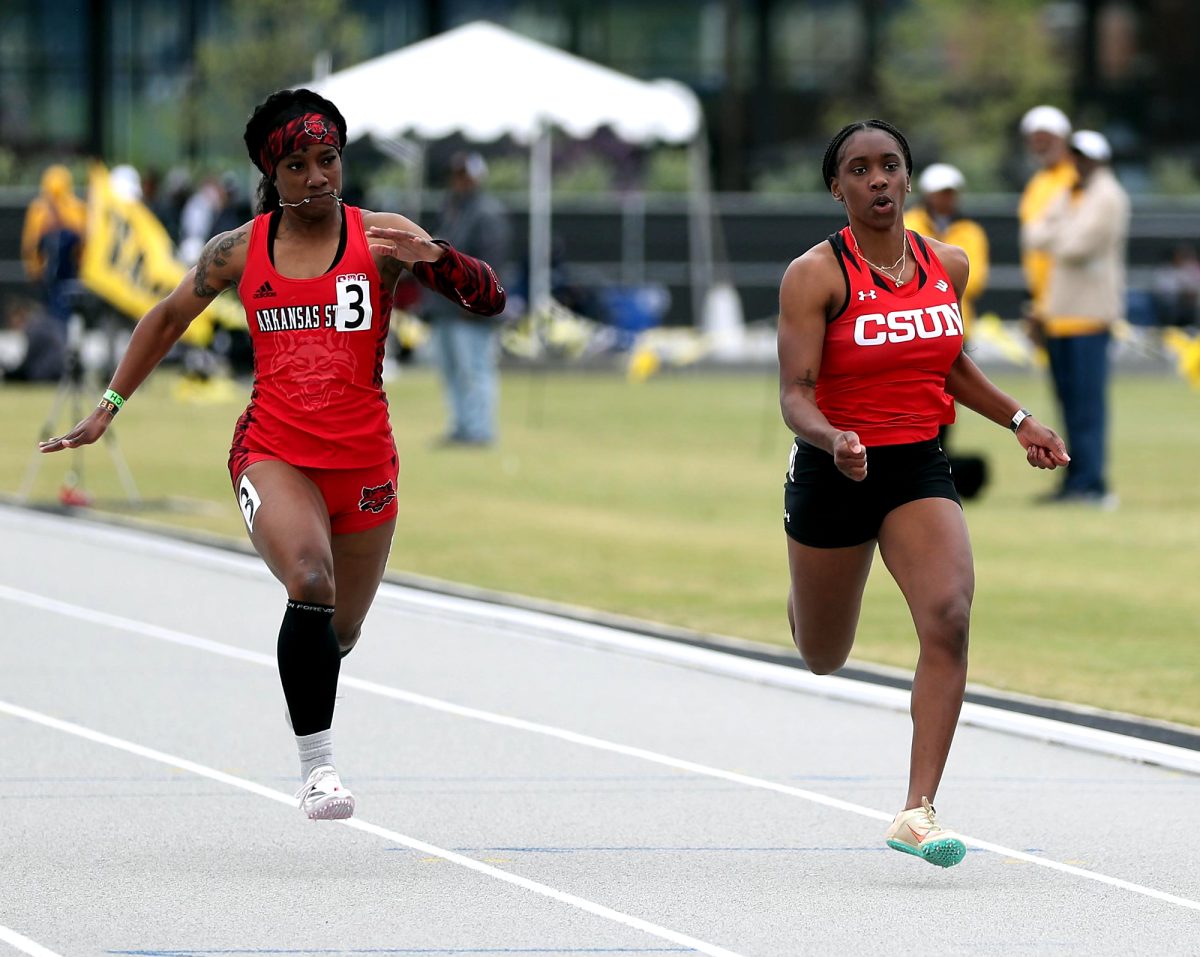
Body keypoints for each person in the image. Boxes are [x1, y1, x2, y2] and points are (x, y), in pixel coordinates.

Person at [38, 88, 507, 821]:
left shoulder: (380, 236)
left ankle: (310, 679)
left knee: (339, 631)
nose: (317, 177)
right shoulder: (239, 250)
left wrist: (437, 258)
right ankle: (318, 771)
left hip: (365, 467)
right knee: (309, 578)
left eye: (328, 159)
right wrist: (109, 407)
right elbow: (164, 319)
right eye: (298, 165)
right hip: (273, 451)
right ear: (273, 173)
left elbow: (490, 300)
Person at [777, 120, 1069, 868]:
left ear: (908, 180)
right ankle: (804, 589)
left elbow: (949, 360)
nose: (877, 180)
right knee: (822, 653)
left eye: (890, 166)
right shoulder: (815, 275)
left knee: (949, 613)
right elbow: (795, 393)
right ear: (837, 187)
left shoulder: (950, 264)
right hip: (835, 468)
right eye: (859, 169)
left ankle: (917, 809)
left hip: (915, 465)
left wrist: (1020, 418)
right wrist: (830, 438)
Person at [1021, 130, 1129, 508]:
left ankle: (1092, 482)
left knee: (1087, 407)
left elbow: (1076, 246)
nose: (1080, 162)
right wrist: (1057, 234)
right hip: (1059, 315)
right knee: (1068, 405)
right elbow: (1035, 234)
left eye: (1086, 157)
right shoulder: (1069, 192)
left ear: (1100, 160)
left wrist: (1056, 234)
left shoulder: (1108, 195)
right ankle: (1074, 479)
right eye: (1076, 155)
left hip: (1089, 317)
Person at [905, 162, 992, 499]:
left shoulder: (970, 230)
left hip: (954, 328)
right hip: (913, 327)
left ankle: (935, 462)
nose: (947, 199)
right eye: (942, 193)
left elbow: (976, 279)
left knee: (944, 402)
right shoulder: (908, 222)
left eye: (951, 193)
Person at [426, 151, 511, 446]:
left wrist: (478, 300)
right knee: (452, 370)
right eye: (457, 174)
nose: (460, 180)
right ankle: (462, 427)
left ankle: (480, 430)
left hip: (470, 308)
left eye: (465, 175)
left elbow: (492, 261)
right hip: (446, 305)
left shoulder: (487, 212)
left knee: (475, 368)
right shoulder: (450, 208)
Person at [1017, 106, 1077, 340]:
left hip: (1070, 297)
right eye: (1036, 140)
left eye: (1047, 139)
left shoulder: (1076, 178)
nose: (1041, 145)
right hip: (1042, 299)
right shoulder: (1037, 183)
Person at [21, 164, 88, 328]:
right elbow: (31, 243)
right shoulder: (39, 209)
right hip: (51, 272)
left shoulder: (74, 208)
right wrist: (34, 268)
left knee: (64, 310)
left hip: (67, 271)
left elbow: (82, 241)